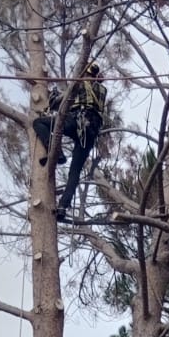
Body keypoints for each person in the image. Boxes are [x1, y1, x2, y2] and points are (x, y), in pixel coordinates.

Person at [56, 61, 107, 220]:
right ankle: (63, 206)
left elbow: (57, 102)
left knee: (42, 124)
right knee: (75, 172)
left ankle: (59, 154)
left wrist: (54, 95)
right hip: (91, 132)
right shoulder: (102, 90)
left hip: (78, 122)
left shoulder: (80, 85)